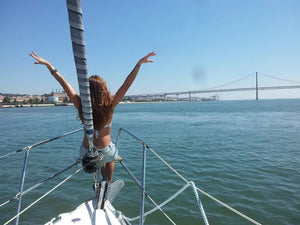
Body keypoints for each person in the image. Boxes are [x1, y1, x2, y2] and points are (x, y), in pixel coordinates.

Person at [29, 51, 156, 183]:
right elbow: (126, 85)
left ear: (86, 90)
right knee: (110, 157)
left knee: (104, 156)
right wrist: (138, 65)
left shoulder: (80, 104)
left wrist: (49, 65)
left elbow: (63, 83)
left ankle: (99, 180)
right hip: (105, 150)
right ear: (104, 89)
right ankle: (107, 184)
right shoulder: (111, 104)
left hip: (86, 152)